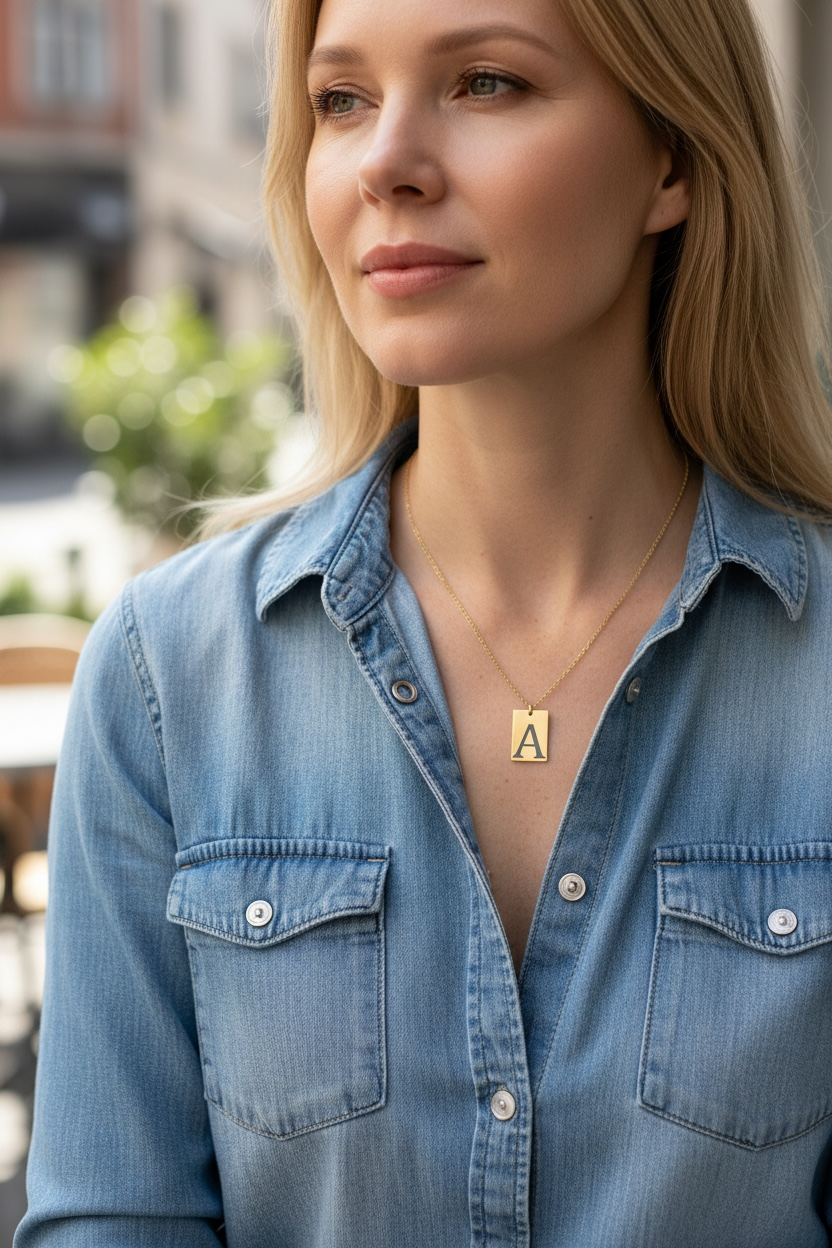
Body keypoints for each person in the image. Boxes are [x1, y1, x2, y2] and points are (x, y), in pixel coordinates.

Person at [16, 0, 832, 1243]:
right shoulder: (167, 671)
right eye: (340, 101)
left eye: (486, 82)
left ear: (670, 157)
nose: (385, 162)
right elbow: (111, 1215)